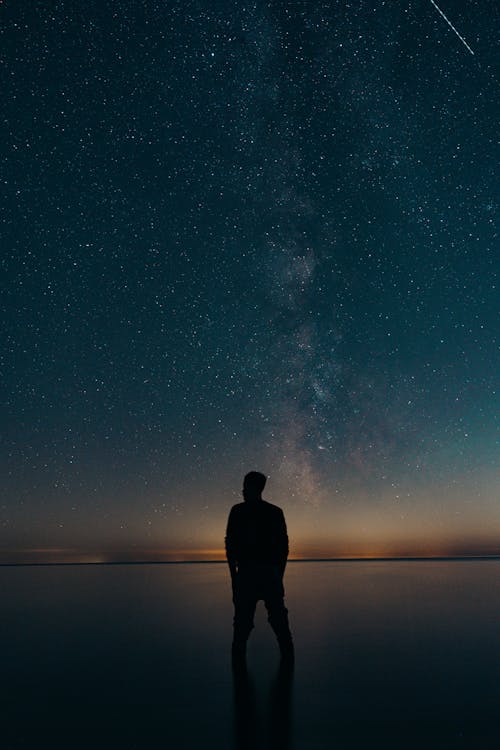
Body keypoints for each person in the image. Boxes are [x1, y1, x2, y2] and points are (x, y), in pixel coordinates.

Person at [225, 471, 294, 663]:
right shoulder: (273, 512)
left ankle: (241, 679)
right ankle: (285, 668)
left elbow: (230, 547)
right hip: (263, 575)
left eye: (246, 486)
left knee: (243, 628)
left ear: (256, 488)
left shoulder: (239, 511)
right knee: (274, 627)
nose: (242, 490)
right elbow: (284, 549)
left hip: (250, 575)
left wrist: (235, 579)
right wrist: (278, 576)